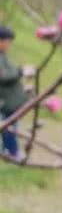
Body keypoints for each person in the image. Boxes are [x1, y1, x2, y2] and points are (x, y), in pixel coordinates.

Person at [0, 25, 30, 159]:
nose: (8, 45)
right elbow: (3, 76)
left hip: (11, 101)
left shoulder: (3, 56)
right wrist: (20, 72)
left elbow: (10, 73)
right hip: (6, 102)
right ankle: (12, 153)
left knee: (11, 127)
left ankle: (10, 151)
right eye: (7, 42)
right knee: (9, 128)